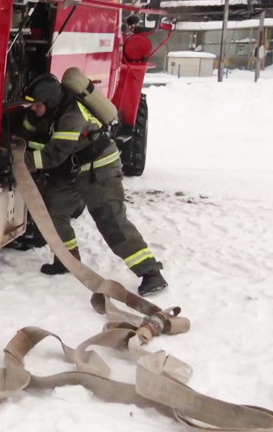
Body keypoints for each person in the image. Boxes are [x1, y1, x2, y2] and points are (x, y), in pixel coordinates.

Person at [16, 72, 168, 296]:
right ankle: (67, 260)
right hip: (74, 168)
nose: (34, 109)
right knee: (54, 211)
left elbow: (54, 155)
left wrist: (22, 160)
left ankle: (151, 273)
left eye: (37, 105)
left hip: (100, 169)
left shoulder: (72, 116)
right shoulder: (49, 111)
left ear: (49, 102)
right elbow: (27, 133)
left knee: (111, 221)